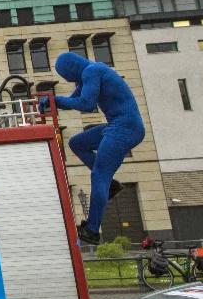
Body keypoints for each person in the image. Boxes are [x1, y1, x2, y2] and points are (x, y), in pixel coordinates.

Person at [39, 52, 144, 245]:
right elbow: (72, 101)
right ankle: (110, 184)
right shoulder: (89, 74)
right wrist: (53, 102)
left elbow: (86, 104)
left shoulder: (92, 71)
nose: (69, 80)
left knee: (98, 175)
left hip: (125, 127)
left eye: (67, 77)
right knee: (77, 143)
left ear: (71, 69)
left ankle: (92, 230)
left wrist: (56, 100)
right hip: (118, 125)